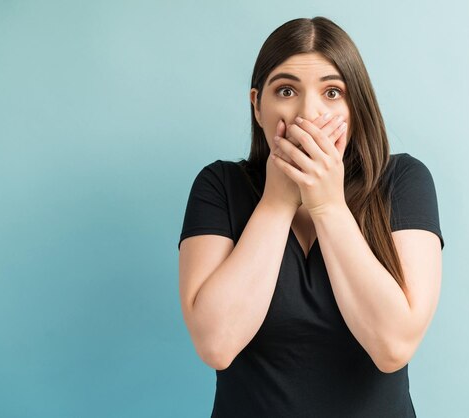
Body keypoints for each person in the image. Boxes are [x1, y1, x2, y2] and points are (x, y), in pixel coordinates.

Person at [178, 16, 445, 418]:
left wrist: (327, 206)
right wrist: (276, 201)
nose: (308, 113)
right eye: (286, 90)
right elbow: (216, 344)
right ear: (257, 104)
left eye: (332, 92)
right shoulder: (219, 185)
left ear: (357, 106)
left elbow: (393, 347)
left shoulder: (403, 181)